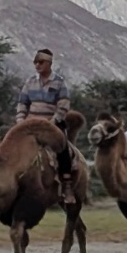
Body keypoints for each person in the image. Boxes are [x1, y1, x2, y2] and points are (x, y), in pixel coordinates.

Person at [15, 48, 76, 203]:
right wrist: (20, 121)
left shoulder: (59, 82)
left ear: (49, 63)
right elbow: (22, 103)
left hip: (51, 123)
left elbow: (63, 104)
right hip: (31, 123)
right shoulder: (30, 82)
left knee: (63, 147)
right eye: (35, 62)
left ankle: (67, 184)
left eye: (41, 62)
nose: (37, 65)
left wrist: (54, 121)